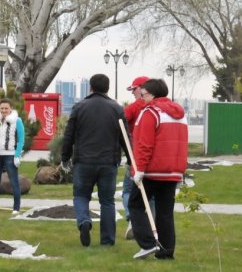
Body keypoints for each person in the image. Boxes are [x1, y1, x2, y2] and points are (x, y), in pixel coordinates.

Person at [60, 73, 128, 247]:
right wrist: (130, 158)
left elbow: (69, 135)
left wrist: (65, 157)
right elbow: (125, 137)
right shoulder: (117, 109)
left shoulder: (79, 107)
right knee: (107, 201)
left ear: (90, 87)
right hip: (108, 162)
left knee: (81, 195)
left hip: (84, 161)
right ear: (108, 88)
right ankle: (107, 240)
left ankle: (84, 221)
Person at [128, 78, 188, 260]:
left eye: (144, 94)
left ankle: (147, 243)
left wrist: (139, 169)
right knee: (165, 213)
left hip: (152, 171)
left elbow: (144, 144)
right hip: (173, 171)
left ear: (152, 94)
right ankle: (166, 251)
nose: (143, 98)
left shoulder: (150, 113)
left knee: (135, 205)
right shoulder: (180, 114)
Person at [122, 76, 153, 239]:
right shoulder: (158, 107)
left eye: (133, 89)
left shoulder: (134, 107)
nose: (132, 93)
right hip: (153, 159)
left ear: (141, 89)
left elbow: (118, 123)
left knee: (128, 190)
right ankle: (151, 224)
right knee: (151, 194)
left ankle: (133, 220)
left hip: (135, 157)